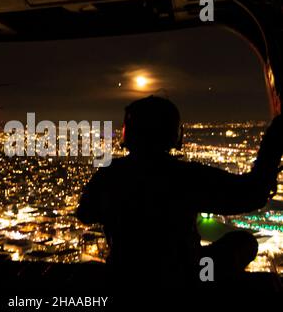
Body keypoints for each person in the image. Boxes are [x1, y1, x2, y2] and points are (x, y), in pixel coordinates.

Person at [76, 95, 283, 288]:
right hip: (185, 276)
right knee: (244, 243)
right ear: (174, 134)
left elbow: (85, 213)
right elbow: (250, 195)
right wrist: (273, 143)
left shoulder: (109, 174)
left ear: (128, 132)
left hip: (125, 275)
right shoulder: (185, 176)